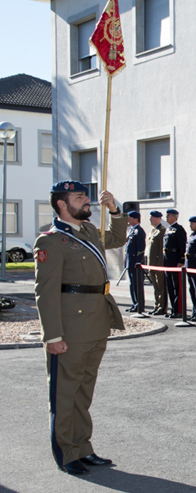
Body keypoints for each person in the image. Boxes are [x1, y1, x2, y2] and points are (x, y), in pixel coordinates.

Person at [33, 182, 129, 475]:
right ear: (62, 204)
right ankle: (66, 453)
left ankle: (83, 447)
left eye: (86, 196)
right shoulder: (50, 241)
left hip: (95, 324)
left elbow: (117, 238)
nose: (87, 201)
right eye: (79, 197)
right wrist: (53, 336)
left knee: (84, 391)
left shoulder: (88, 232)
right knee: (65, 393)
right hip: (70, 330)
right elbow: (45, 292)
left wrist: (114, 209)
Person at [162, 209, 186, 318]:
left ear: (175, 217)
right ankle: (173, 309)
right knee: (170, 286)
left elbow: (182, 246)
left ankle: (178, 310)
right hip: (168, 260)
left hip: (175, 260)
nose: (167, 217)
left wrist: (181, 261)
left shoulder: (179, 229)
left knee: (177, 286)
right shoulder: (168, 229)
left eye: (169, 216)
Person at [124, 210, 145, 313]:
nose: (128, 220)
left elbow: (141, 248)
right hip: (130, 262)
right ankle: (135, 303)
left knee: (137, 285)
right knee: (132, 284)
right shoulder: (132, 231)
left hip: (135, 263)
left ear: (136, 219)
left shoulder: (139, 231)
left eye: (130, 218)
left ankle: (139, 305)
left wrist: (138, 261)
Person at [147, 210, 166, 315]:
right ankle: (156, 305)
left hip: (158, 264)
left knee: (161, 286)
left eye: (152, 217)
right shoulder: (153, 231)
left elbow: (161, 250)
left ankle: (162, 307)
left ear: (158, 218)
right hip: (151, 263)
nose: (150, 219)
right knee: (155, 286)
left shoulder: (161, 231)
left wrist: (160, 264)